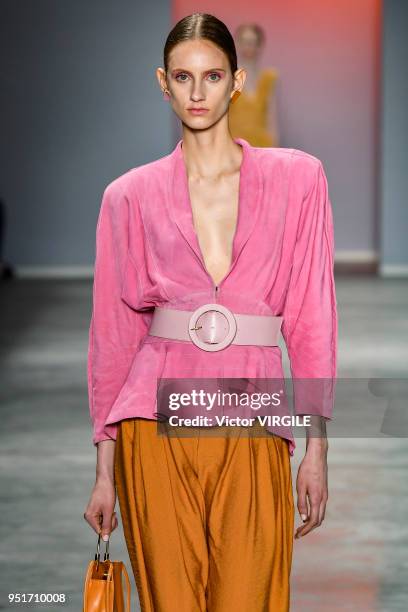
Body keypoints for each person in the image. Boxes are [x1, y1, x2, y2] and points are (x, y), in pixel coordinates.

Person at [84, 12, 338, 612]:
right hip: (155, 426)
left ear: (238, 80)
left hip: (251, 419)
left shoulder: (298, 180)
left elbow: (311, 318)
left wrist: (317, 448)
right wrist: (104, 468)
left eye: (213, 75)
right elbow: (114, 335)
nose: (197, 93)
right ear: (162, 83)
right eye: (182, 76)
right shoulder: (129, 194)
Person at [228, 23, 280, 147]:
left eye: (252, 42)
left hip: (262, 147)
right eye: (244, 42)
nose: (248, 47)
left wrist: (275, 150)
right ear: (238, 44)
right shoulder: (230, 77)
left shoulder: (268, 78)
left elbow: (271, 118)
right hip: (235, 146)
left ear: (259, 45)